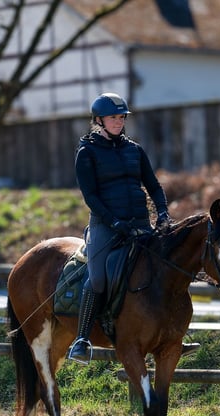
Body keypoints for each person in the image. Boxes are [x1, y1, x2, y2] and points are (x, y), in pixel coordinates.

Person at [68, 92, 172, 364]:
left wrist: (162, 213)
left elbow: (154, 186)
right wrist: (113, 221)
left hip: (139, 223)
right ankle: (82, 339)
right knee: (99, 279)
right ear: (99, 120)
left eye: (121, 117)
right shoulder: (86, 152)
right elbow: (90, 196)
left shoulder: (134, 150)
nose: (119, 122)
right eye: (113, 117)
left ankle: (170, 335)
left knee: (163, 270)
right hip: (106, 225)